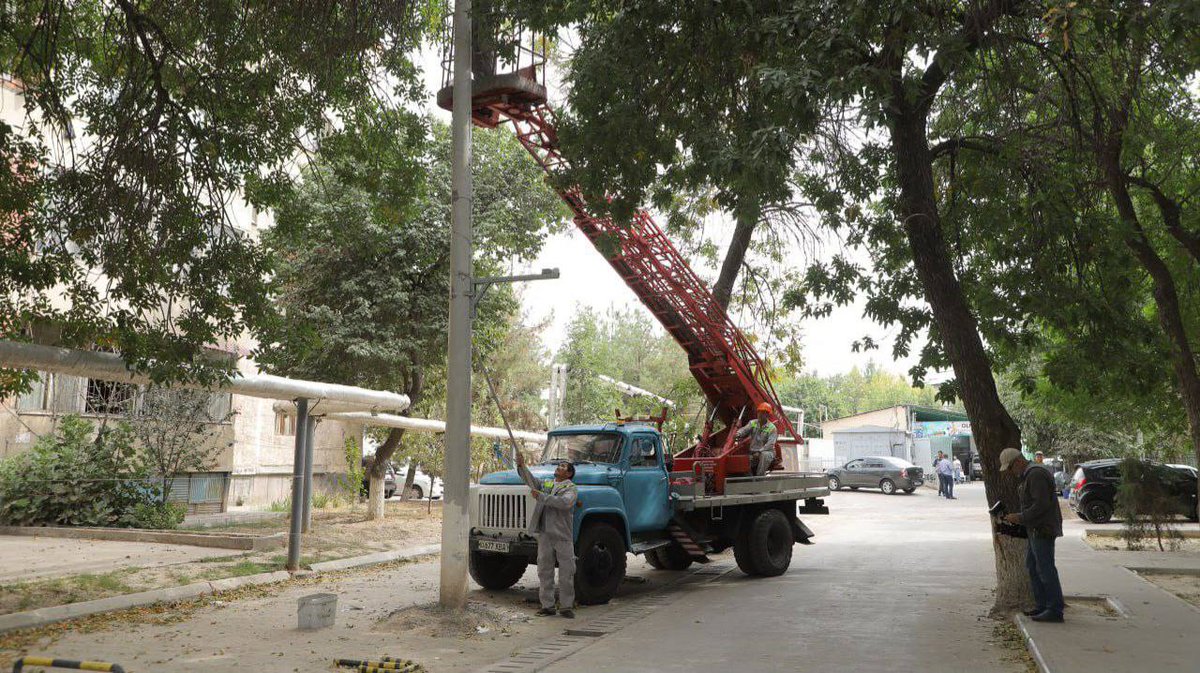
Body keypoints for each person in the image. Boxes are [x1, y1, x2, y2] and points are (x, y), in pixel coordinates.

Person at [1000, 447, 1065, 623]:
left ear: (1018, 461)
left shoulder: (1035, 474)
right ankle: (1042, 605)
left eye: (1011, 468)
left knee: (1045, 569)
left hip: (1042, 528)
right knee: (1033, 566)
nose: (1011, 472)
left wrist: (1020, 517)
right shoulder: (1029, 474)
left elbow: (1041, 505)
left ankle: (1055, 609)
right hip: (1035, 527)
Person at [516, 451, 578, 618]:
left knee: (566, 572)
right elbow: (531, 481)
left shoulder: (571, 489)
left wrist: (542, 497)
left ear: (569, 474)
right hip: (545, 533)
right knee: (544, 570)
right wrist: (522, 466)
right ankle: (547, 606)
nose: (559, 467)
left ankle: (566, 606)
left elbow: (564, 503)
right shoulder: (548, 483)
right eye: (559, 465)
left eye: (563, 466)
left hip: (562, 535)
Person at [737, 402, 779, 477]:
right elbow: (744, 430)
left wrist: (759, 452)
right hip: (753, 452)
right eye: (759, 412)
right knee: (743, 462)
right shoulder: (753, 423)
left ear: (767, 415)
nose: (759, 414)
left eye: (762, 412)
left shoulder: (772, 428)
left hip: (767, 452)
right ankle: (750, 479)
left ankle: (759, 477)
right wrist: (738, 433)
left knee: (764, 455)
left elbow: (770, 444)